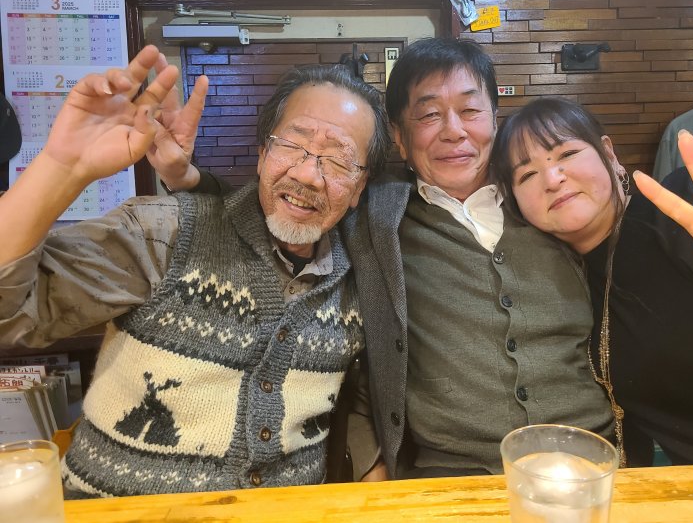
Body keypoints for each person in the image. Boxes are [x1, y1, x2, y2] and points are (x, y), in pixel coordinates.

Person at [170, 38, 615, 479]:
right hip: (451, 476)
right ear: (400, 138)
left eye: (470, 110)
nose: (454, 131)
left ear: (494, 120)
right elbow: (285, 201)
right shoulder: (375, 214)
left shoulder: (542, 200)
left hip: (594, 461)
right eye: (428, 115)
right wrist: (190, 180)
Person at [0, 45, 391, 496]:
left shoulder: (360, 275)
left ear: (359, 187)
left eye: (338, 160)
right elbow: (12, 310)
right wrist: (62, 167)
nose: (307, 174)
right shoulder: (165, 234)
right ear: (262, 155)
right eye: (292, 144)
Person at [490, 67, 693, 466]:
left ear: (608, 153)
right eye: (527, 174)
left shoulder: (682, 206)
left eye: (566, 154)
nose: (552, 179)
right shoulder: (555, 277)